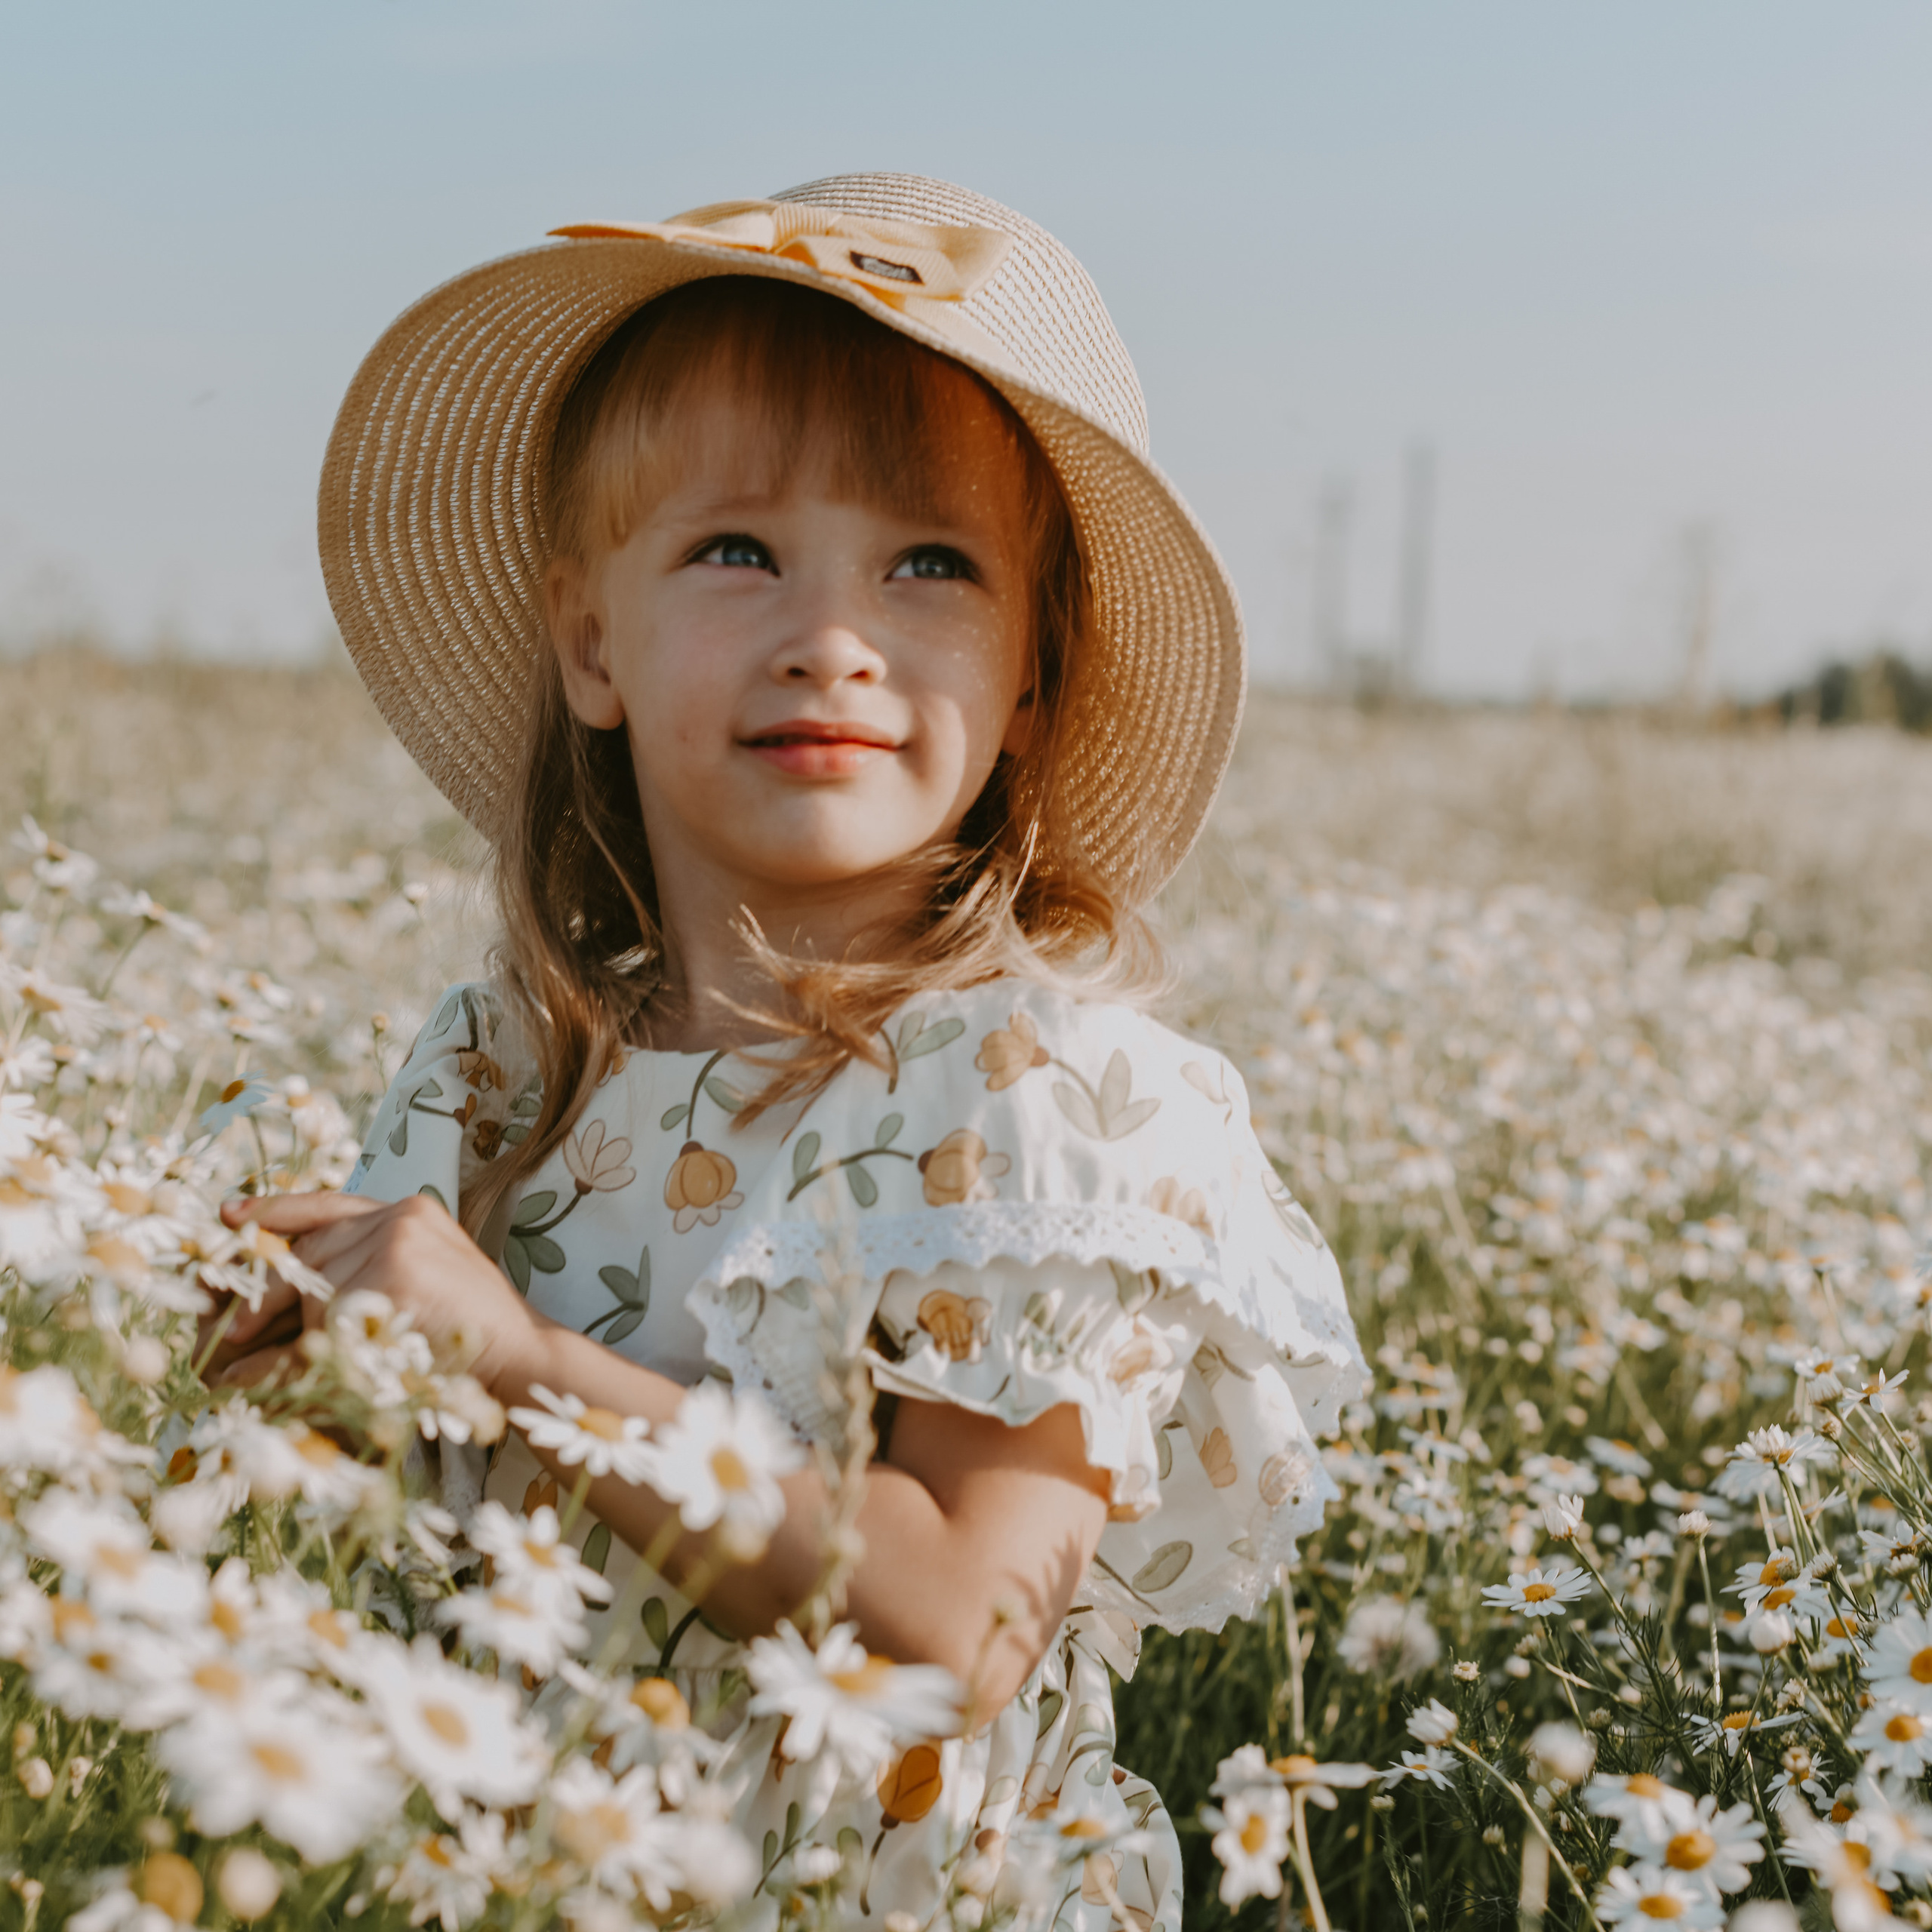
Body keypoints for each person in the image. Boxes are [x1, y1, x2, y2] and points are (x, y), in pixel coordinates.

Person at [205, 175, 1366, 1927]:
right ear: (590, 638)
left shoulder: (1038, 1103)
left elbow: (958, 1619)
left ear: (1032, 678)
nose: (832, 634)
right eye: (736, 551)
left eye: (929, 564)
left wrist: (513, 1354)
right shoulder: (498, 1075)